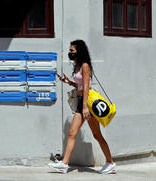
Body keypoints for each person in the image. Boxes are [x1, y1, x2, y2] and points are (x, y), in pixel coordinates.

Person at [48, 40, 116, 174]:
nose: (70, 53)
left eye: (72, 51)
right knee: (88, 134)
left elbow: (86, 87)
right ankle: (109, 162)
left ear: (79, 51)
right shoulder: (78, 65)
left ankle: (110, 162)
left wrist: (84, 107)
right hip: (82, 101)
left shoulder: (85, 66)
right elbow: (80, 86)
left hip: (86, 103)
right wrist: (69, 82)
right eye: (70, 51)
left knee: (85, 134)